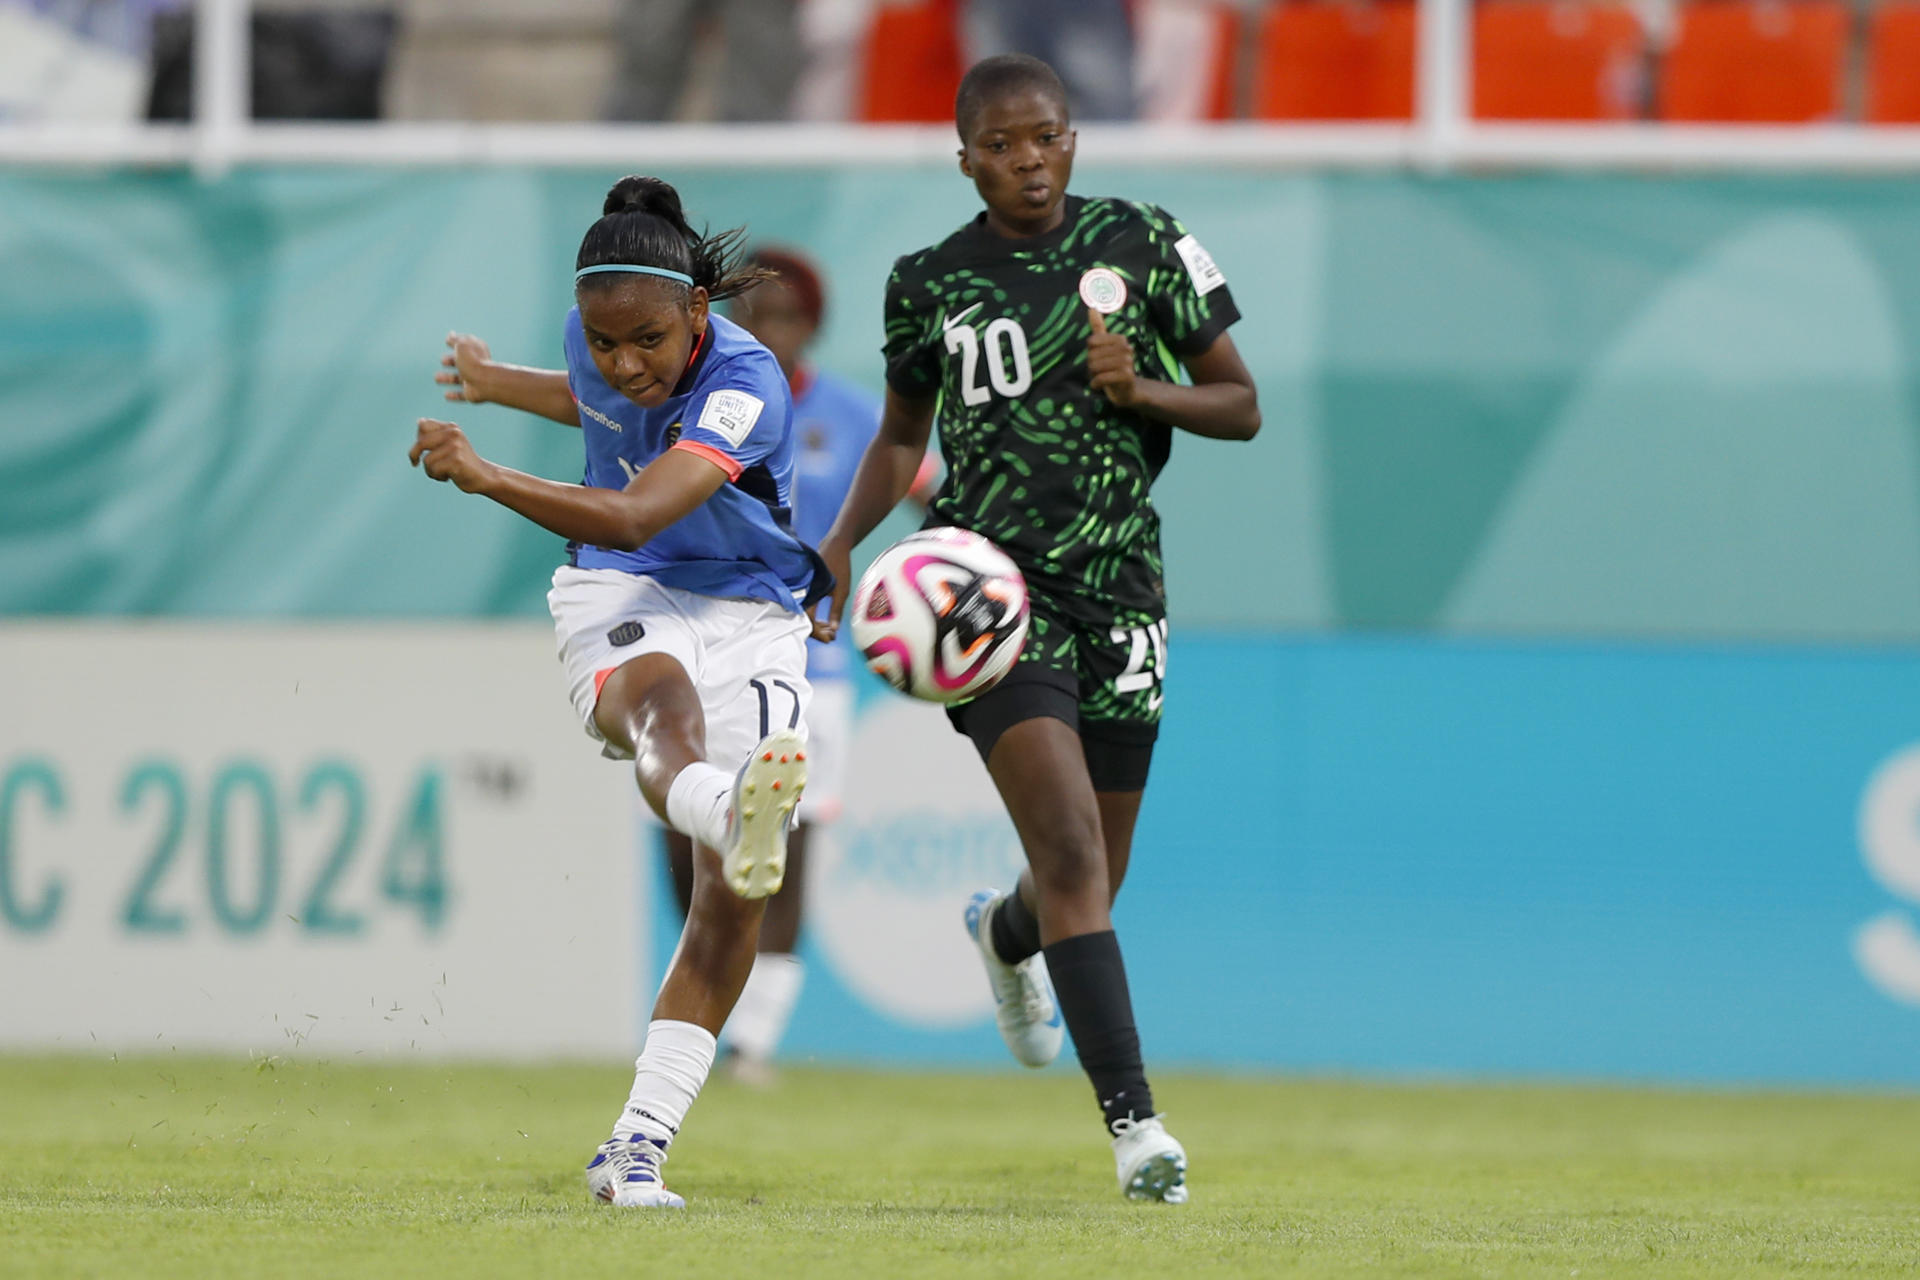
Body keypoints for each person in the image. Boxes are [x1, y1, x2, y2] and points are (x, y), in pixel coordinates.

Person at [814, 53, 1259, 1204]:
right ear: (966, 159)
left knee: (1091, 878)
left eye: (1047, 137)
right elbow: (903, 440)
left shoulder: (1144, 240)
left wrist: (1143, 391)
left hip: (1123, 587)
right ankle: (1139, 1132)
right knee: (1068, 847)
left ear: (1074, 140)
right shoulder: (929, 282)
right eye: (1003, 145)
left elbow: (1241, 403)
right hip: (988, 598)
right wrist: (844, 538)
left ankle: (1004, 937)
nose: (1029, 161)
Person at [410, 175, 826, 1210]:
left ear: (698, 311)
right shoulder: (600, 336)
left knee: (733, 905)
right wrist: (499, 380)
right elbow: (591, 397)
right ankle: (727, 807)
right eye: (604, 340)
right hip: (620, 585)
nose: (624, 362)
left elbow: (642, 507)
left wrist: (485, 473)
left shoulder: (746, 382)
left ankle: (635, 1146)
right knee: (656, 713)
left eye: (648, 339)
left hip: (748, 611)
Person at [439, 248, 928, 1082]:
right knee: (696, 831)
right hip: (660, 602)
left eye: (787, 320)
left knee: (780, 842)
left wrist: (942, 562)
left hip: (796, 639)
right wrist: (495, 384)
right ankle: (708, 1034)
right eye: (760, 317)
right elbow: (597, 401)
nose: (770, 333)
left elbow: (921, 479)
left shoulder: (803, 403)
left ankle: (753, 1044)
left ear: (808, 328)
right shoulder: (647, 367)